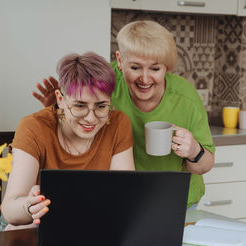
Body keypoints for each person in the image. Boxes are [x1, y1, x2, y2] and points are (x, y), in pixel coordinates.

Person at [32, 20, 214, 209]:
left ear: (166, 67)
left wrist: (194, 151)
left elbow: (206, 165)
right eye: (135, 68)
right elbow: (76, 113)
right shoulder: (105, 83)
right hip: (120, 198)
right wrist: (58, 109)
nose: (144, 78)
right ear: (120, 60)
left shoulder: (186, 98)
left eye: (155, 68)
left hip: (176, 201)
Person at [0, 52, 134, 231]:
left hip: (87, 229)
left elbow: (124, 196)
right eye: (79, 106)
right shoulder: (33, 127)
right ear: (60, 99)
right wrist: (29, 206)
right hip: (29, 226)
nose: (91, 119)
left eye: (101, 106)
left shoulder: (118, 123)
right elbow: (10, 209)